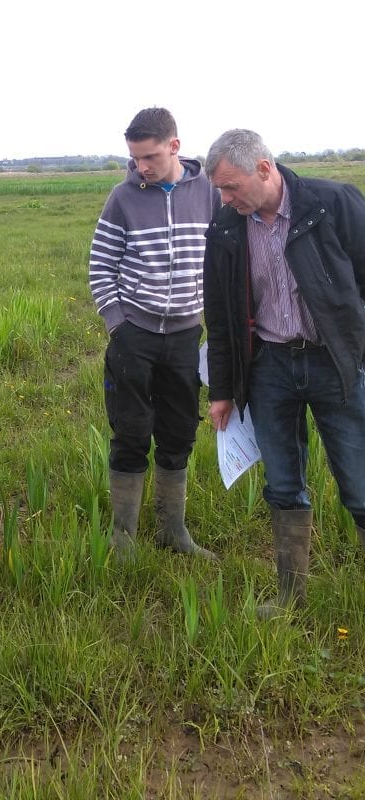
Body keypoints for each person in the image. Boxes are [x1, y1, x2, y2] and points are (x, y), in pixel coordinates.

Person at [203, 129, 365, 618]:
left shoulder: (333, 204)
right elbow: (222, 314)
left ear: (264, 168)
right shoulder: (228, 226)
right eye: (220, 191)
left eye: (232, 188)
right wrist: (224, 389)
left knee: (359, 481)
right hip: (269, 365)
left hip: (336, 363)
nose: (227, 200)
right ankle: (291, 598)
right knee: (282, 483)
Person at [88, 107, 220, 560]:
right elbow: (101, 265)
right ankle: (122, 538)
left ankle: (173, 532)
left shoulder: (209, 192)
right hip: (134, 335)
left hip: (186, 336)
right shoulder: (122, 197)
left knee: (180, 431)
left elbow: (225, 256)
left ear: (174, 146)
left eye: (150, 157)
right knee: (130, 430)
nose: (141, 167)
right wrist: (117, 325)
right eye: (135, 158)